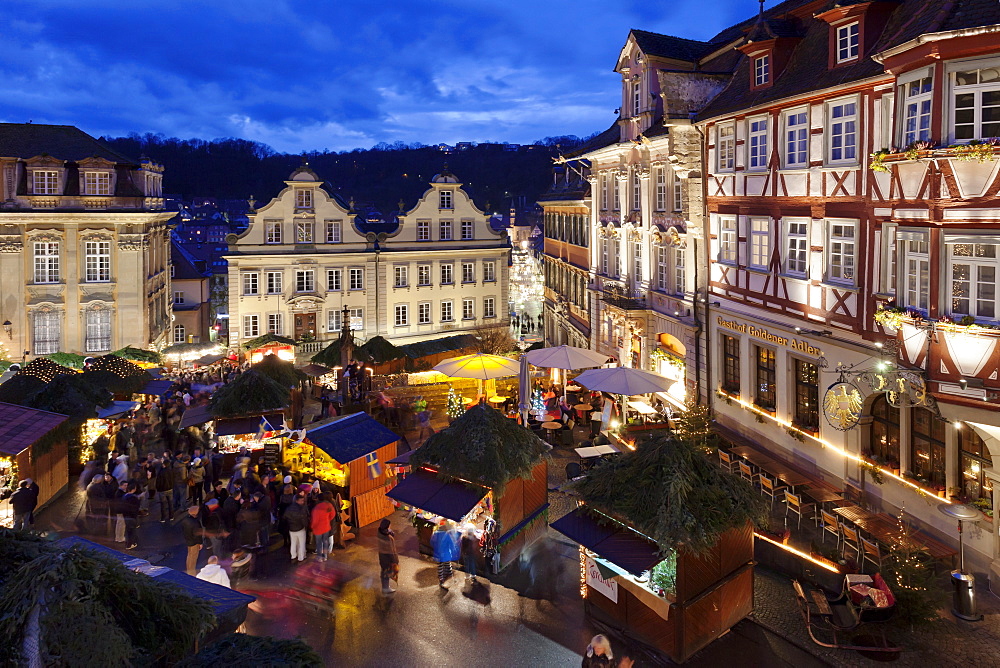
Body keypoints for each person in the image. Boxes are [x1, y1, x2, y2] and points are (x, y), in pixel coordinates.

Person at [430, 520, 460, 588]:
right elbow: (451, 545)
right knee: (447, 565)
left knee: (440, 566)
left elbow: (432, 542)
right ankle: (449, 579)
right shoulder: (447, 535)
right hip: (446, 554)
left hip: (438, 553)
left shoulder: (435, 534)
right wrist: (454, 551)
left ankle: (442, 579)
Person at [310, 492, 336, 562]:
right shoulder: (329, 505)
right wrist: (327, 520)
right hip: (326, 527)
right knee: (325, 541)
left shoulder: (316, 508)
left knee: (319, 543)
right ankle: (325, 556)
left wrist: (312, 527)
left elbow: (314, 520)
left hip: (318, 528)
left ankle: (319, 557)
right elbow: (333, 514)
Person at [285, 493, 309, 562]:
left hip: (291, 528)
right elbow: (304, 519)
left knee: (293, 542)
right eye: (301, 500)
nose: (302, 502)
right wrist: (306, 526)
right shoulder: (301, 509)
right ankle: (301, 557)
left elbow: (285, 517)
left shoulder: (289, 508)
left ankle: (293, 555)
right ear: (297, 501)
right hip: (300, 528)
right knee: (301, 543)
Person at [180, 505, 203, 575]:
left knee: (189, 556)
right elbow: (197, 535)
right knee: (193, 558)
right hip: (194, 542)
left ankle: (189, 570)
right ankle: (191, 572)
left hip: (189, 541)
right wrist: (200, 543)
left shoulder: (185, 520)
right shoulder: (195, 523)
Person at [377, 518, 399, 594]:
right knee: (386, 572)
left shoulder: (380, 532)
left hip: (382, 556)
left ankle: (385, 587)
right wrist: (395, 560)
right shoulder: (388, 538)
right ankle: (385, 588)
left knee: (384, 571)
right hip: (387, 558)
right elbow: (391, 551)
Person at [121, 482, 141, 549]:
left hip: (125, 516)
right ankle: (130, 544)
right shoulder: (134, 498)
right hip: (132, 516)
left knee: (128, 530)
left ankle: (130, 543)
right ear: (134, 489)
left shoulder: (124, 497)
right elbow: (136, 508)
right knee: (132, 531)